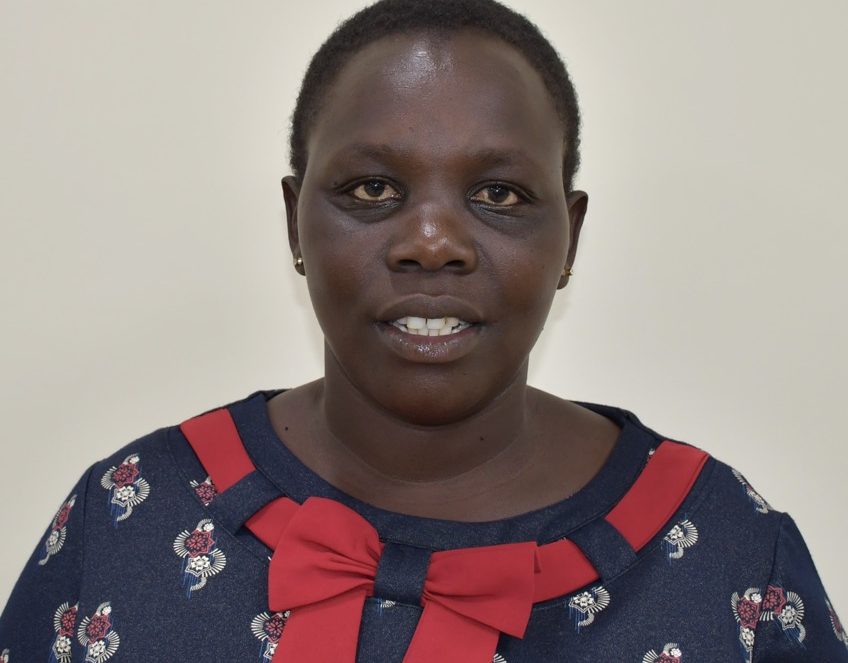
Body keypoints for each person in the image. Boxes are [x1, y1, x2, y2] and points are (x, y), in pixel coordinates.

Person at [1, 0, 846, 660]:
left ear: (570, 239)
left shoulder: (731, 554)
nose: (432, 242)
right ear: (295, 222)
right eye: (372, 189)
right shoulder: (129, 519)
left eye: (499, 195)